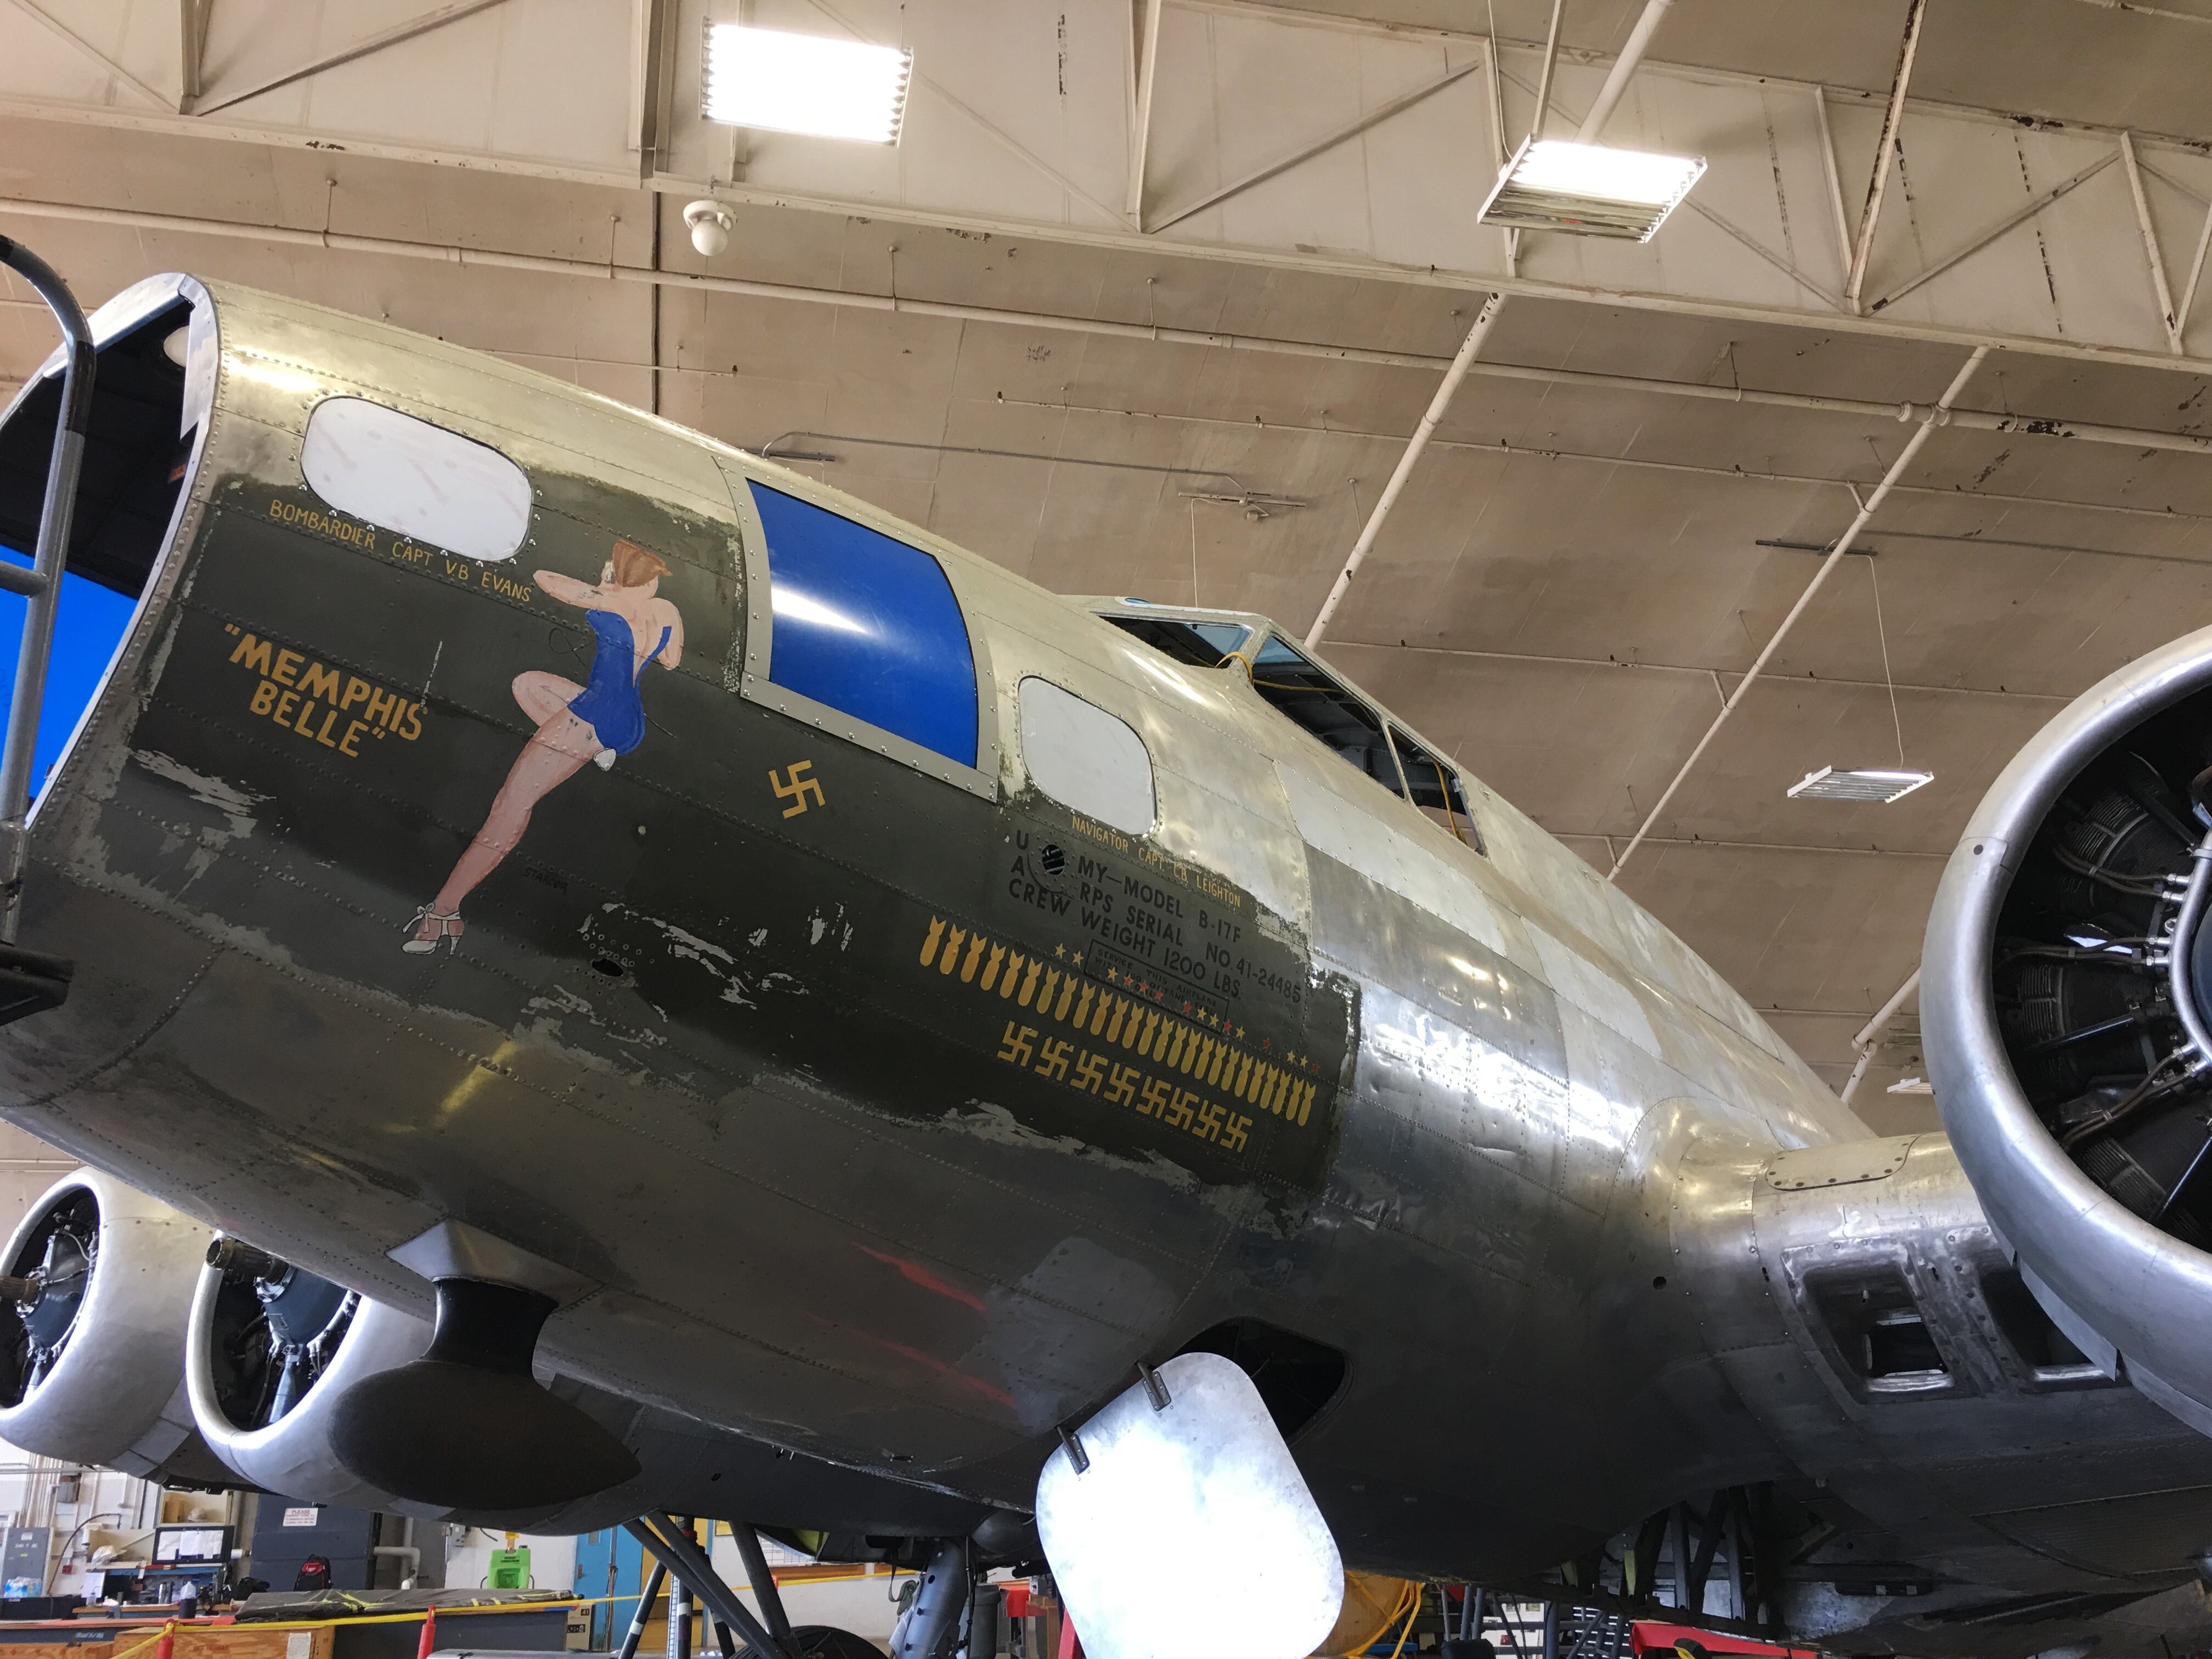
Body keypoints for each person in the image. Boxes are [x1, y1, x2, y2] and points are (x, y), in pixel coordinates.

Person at [407, 540, 684, 953]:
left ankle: (443, 913)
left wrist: (605, 589)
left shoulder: (612, 601)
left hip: (588, 719)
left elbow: (545, 579)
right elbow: (672, 661)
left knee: (511, 805)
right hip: (628, 722)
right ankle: (599, 750)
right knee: (529, 685)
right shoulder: (667, 613)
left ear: (621, 576)